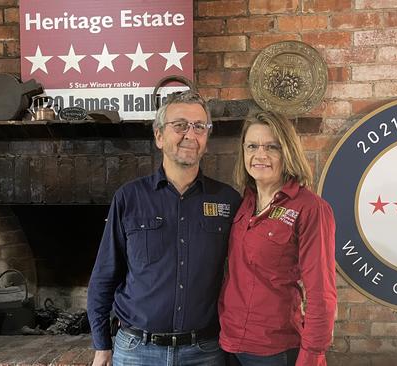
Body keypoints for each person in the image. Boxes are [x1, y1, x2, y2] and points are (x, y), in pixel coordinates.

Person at [87, 90, 241, 366]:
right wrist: (101, 345)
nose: (190, 135)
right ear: (159, 136)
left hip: (205, 352)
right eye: (180, 125)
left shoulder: (228, 201)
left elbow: (244, 275)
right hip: (137, 351)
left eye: (199, 127)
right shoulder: (129, 198)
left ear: (206, 138)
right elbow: (104, 276)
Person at [218, 111, 336, 366]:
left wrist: (312, 355)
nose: (260, 155)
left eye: (271, 147)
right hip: (229, 342)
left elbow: (321, 293)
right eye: (252, 146)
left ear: (288, 152)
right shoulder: (244, 202)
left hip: (274, 350)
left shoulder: (310, 208)